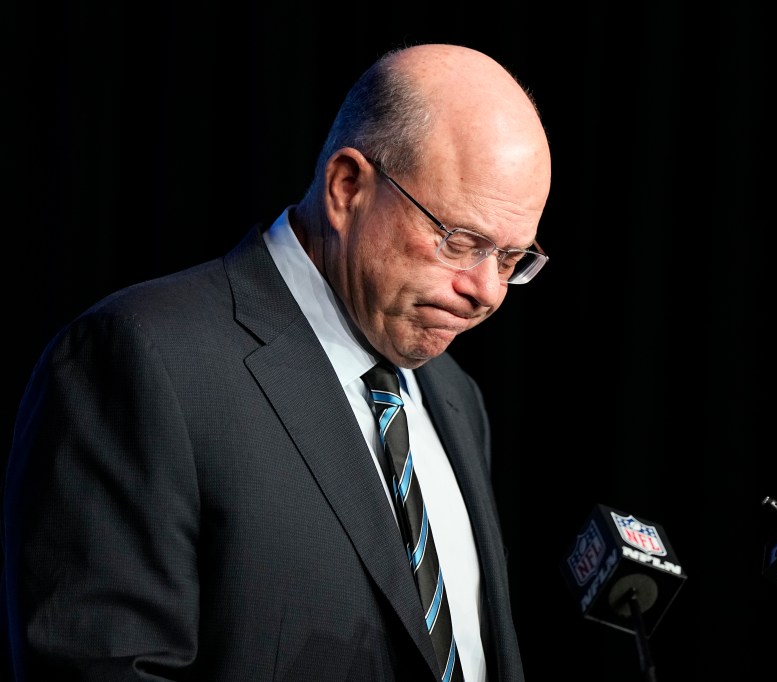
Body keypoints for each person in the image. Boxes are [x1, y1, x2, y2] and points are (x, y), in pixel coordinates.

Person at [2, 42, 550, 681]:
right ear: (347, 188)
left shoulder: (454, 396)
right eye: (460, 242)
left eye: (512, 259)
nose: (486, 291)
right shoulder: (137, 362)